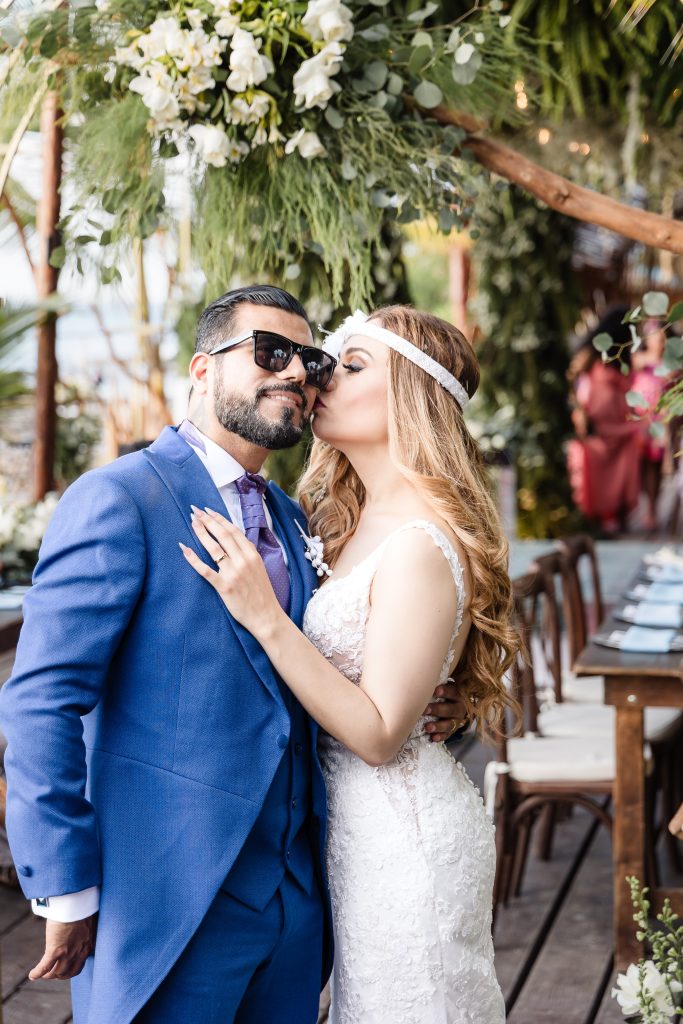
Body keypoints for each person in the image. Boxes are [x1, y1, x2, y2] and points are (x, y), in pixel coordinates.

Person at [0, 286, 467, 1024]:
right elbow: (40, 699)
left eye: (308, 360)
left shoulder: (297, 518)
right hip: (170, 902)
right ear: (202, 369)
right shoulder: (119, 498)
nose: (293, 374)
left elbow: (362, 665)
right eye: (267, 352)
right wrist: (62, 885)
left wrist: (443, 707)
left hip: (299, 905)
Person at [182, 305, 520, 1023]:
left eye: (350, 364)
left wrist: (267, 619)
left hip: (402, 838)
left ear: (412, 397)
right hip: (342, 835)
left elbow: (376, 734)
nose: (316, 376)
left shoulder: (422, 543)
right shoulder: (333, 518)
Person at [567, 306, 643, 533]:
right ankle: (607, 519)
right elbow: (578, 386)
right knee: (605, 477)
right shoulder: (594, 360)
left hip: (615, 430)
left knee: (615, 474)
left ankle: (614, 517)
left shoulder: (614, 361)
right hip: (601, 431)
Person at [632, 319, 670, 531]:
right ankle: (644, 506)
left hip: (659, 421)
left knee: (655, 466)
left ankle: (652, 510)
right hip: (638, 420)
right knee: (640, 466)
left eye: (663, 337)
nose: (660, 341)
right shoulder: (639, 359)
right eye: (656, 336)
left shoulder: (671, 364)